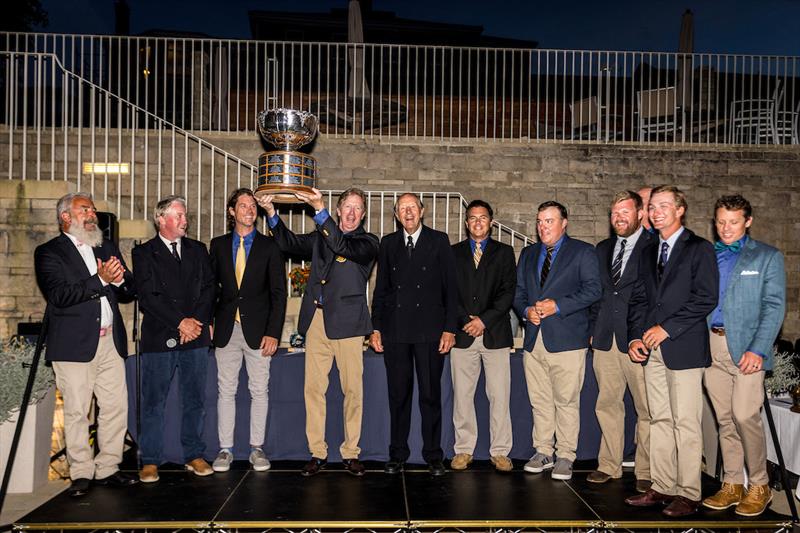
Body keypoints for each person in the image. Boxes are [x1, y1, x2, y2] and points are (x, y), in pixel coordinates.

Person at [258, 187, 378, 477]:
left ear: (363, 214)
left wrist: (319, 209)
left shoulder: (368, 242)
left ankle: (350, 452)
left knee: (353, 391)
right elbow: (288, 244)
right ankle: (318, 452)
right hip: (316, 322)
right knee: (313, 390)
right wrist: (272, 212)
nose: (351, 212)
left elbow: (341, 246)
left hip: (349, 326)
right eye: (346, 207)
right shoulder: (321, 236)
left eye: (357, 208)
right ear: (338, 211)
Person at [34, 192, 138, 497]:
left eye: (93, 209)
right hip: (74, 346)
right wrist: (101, 280)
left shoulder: (104, 245)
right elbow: (60, 296)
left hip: (110, 343)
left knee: (116, 407)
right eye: (85, 209)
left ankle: (108, 467)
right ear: (66, 216)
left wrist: (119, 281)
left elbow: (129, 289)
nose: (92, 213)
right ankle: (81, 472)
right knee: (78, 411)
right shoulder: (49, 252)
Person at [625, 185, 718, 518]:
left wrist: (667, 328)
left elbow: (706, 298)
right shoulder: (649, 251)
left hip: (684, 348)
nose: (656, 211)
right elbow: (641, 300)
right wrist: (636, 337)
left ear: (681, 210)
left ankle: (689, 492)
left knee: (686, 423)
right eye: (652, 206)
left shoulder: (699, 249)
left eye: (664, 205)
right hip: (652, 351)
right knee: (659, 420)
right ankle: (663, 486)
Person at [701, 194, 785, 517]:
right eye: (721, 221)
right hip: (712, 346)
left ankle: (760, 485)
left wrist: (759, 348)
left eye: (733, 222)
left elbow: (775, 306)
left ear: (747, 222)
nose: (726, 228)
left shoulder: (767, 256)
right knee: (724, 418)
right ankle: (733, 483)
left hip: (749, 349)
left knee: (744, 414)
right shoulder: (708, 255)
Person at [370, 192, 459, 477]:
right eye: (402, 209)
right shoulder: (388, 243)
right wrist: (376, 327)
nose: (407, 213)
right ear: (396, 215)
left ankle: (434, 455)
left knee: (431, 396)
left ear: (422, 211)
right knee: (398, 396)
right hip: (395, 332)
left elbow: (451, 290)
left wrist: (449, 328)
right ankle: (397, 454)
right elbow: (381, 289)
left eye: (412, 207)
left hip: (430, 332)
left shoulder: (439, 240)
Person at [513, 200, 601, 481]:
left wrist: (558, 306)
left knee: (566, 401)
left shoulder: (584, 252)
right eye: (539, 221)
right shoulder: (528, 254)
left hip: (567, 340)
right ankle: (543, 451)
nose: (543, 227)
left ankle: (566, 455)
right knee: (539, 400)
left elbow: (593, 290)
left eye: (549, 221)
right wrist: (526, 311)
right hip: (535, 340)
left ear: (564, 223)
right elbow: (518, 293)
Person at [133, 195, 216, 482]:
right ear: (161, 219)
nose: (184, 220)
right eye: (178, 216)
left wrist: (197, 324)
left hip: (196, 336)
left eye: (184, 215)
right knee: (154, 401)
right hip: (160, 337)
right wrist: (180, 322)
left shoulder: (198, 249)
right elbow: (148, 295)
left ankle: (193, 454)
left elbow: (208, 289)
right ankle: (150, 460)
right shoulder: (143, 253)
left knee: (194, 399)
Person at [209, 188, 286, 473]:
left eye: (253, 206)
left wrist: (274, 332)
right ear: (232, 212)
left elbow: (279, 293)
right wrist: (208, 321)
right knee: (225, 391)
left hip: (259, 332)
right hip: (226, 329)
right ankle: (225, 449)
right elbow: (210, 289)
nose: (249, 210)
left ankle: (256, 448)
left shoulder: (269, 246)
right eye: (243, 206)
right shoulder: (217, 246)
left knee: (259, 390)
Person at [588, 191, 653, 493]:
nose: (619, 218)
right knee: (607, 404)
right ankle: (609, 465)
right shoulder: (602, 248)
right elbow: (595, 293)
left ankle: (646, 469)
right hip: (605, 338)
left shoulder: (654, 248)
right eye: (615, 213)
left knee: (646, 409)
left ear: (641, 214)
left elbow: (653, 298)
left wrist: (641, 334)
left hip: (637, 340)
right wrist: (592, 328)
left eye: (625, 212)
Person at [449, 200, 516, 473]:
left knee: (499, 395)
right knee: (462, 396)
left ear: (491, 222)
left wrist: (483, 321)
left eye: (483, 218)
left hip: (495, 333)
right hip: (463, 334)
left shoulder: (504, 252)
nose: (478, 222)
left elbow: (508, 292)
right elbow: (447, 292)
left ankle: (500, 451)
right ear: (466, 223)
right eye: (472, 218)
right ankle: (464, 449)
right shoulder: (452, 253)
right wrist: (466, 321)